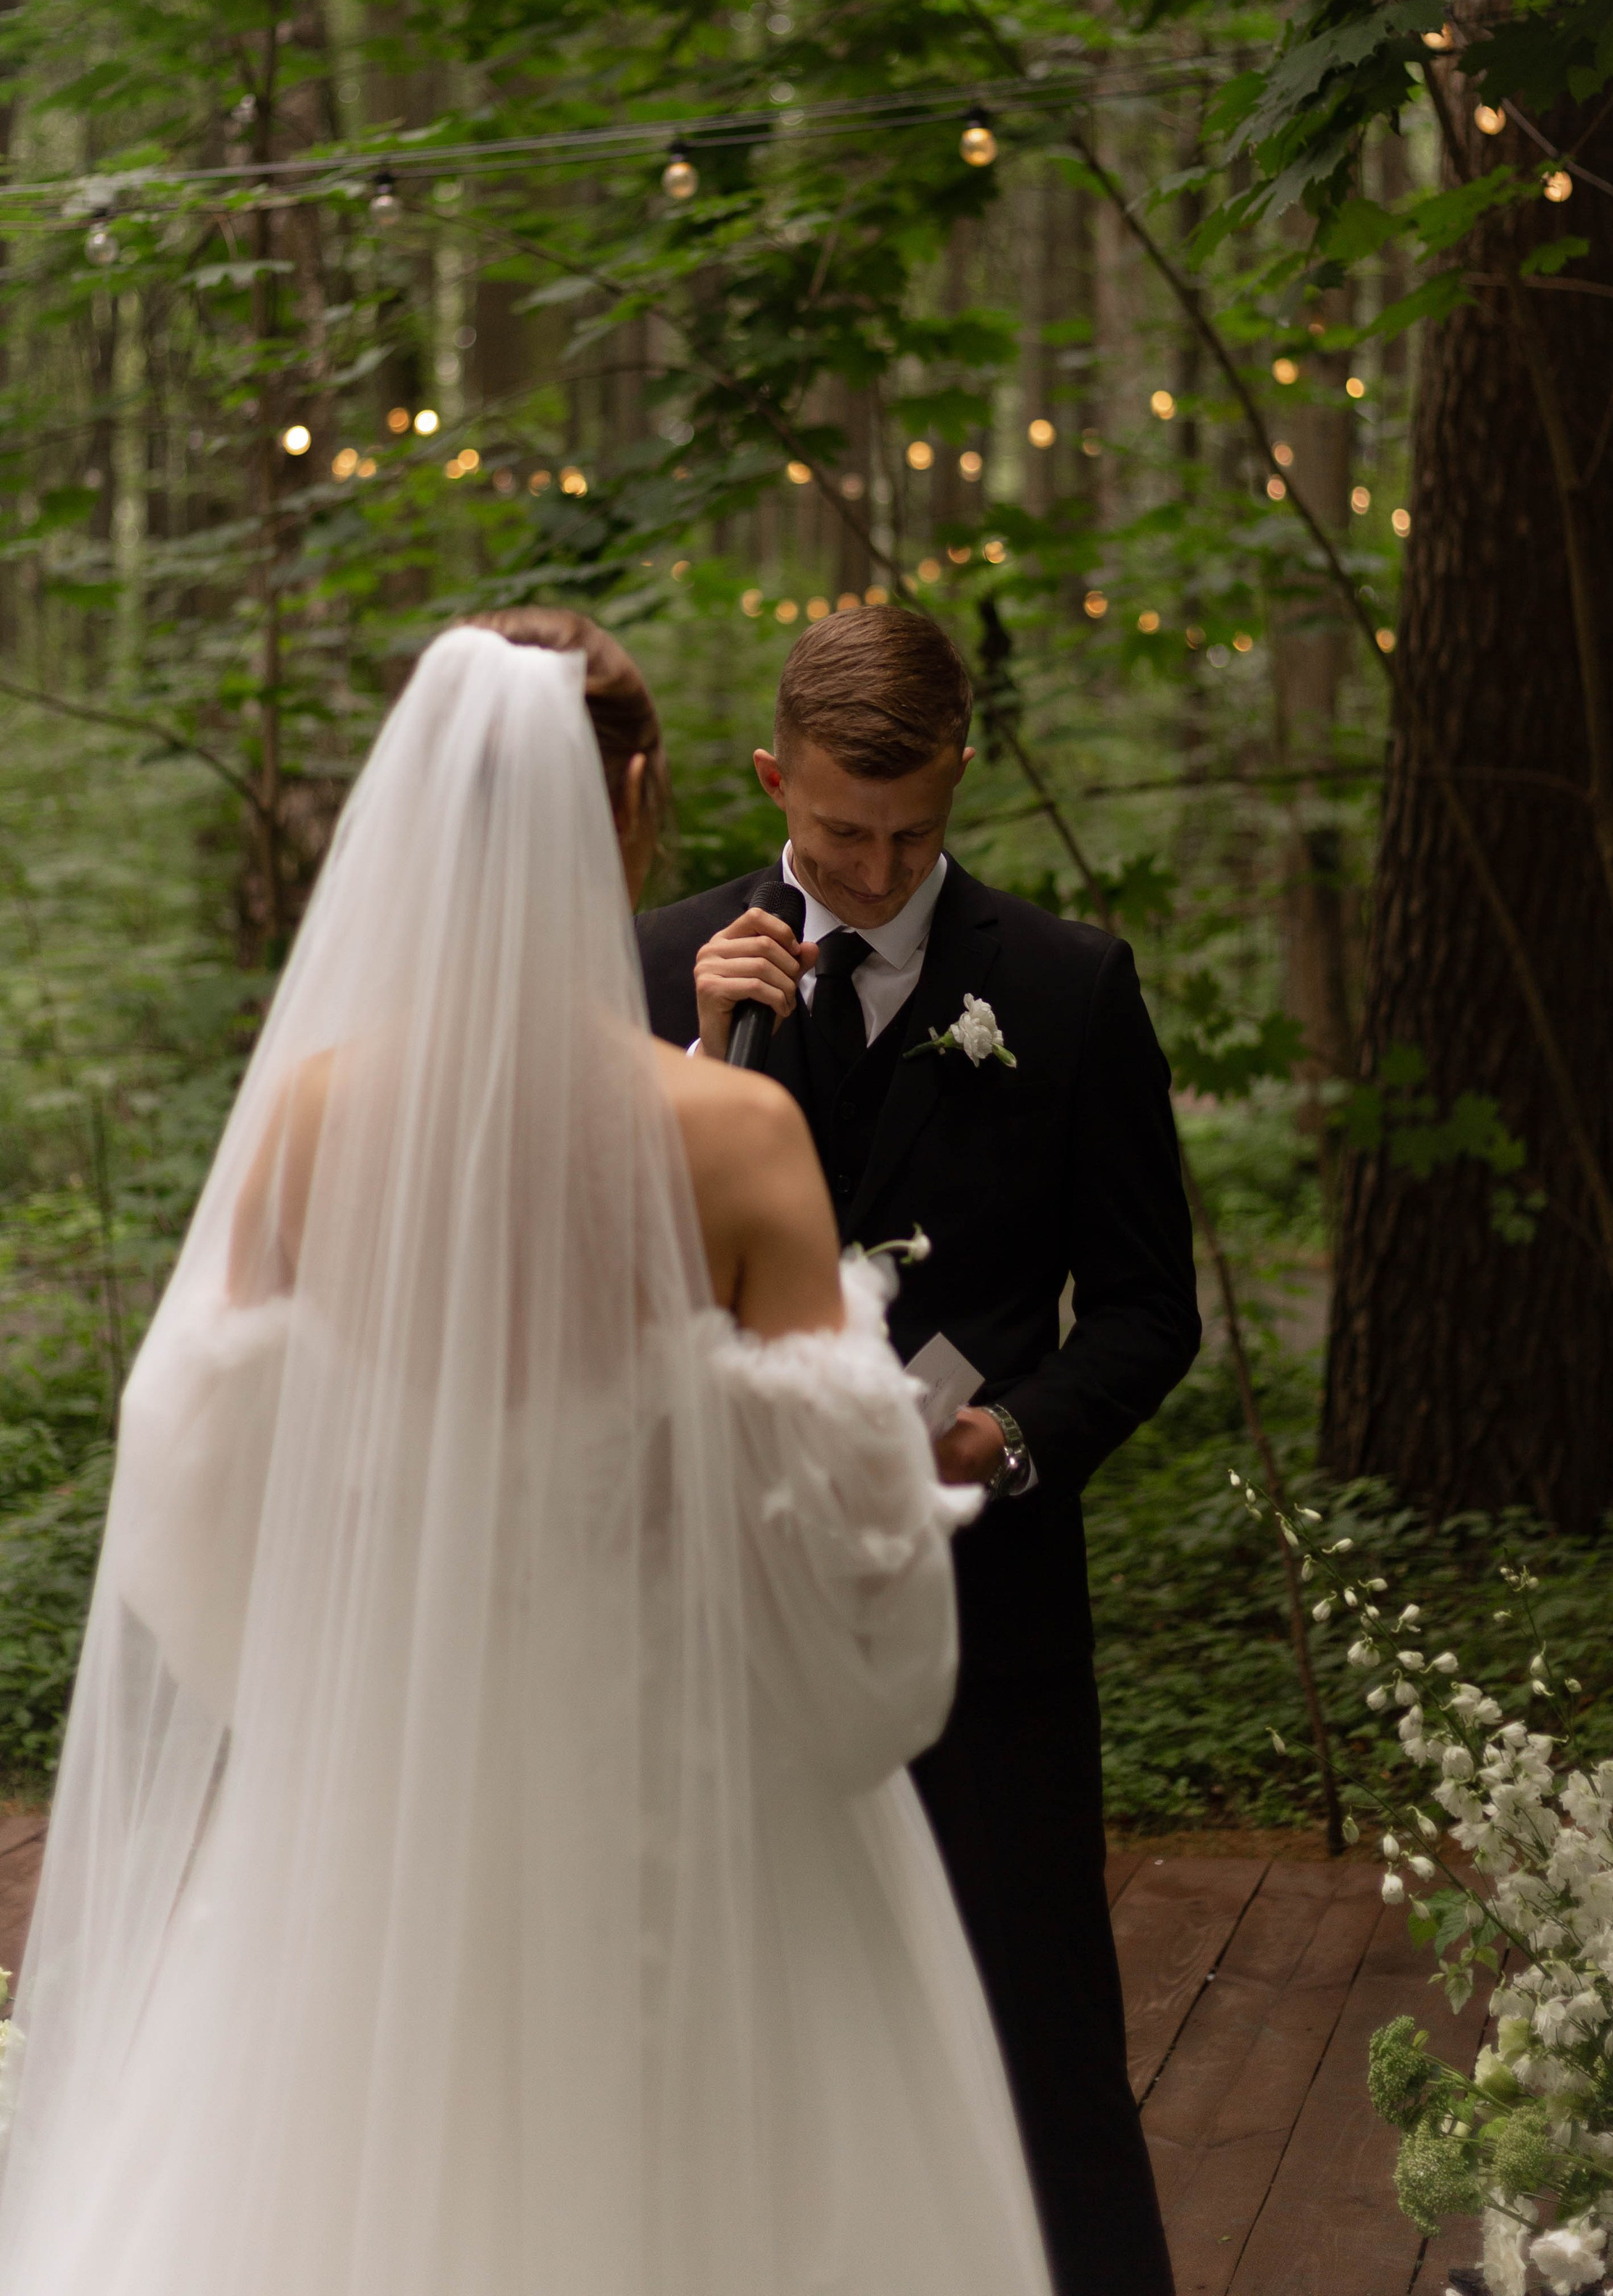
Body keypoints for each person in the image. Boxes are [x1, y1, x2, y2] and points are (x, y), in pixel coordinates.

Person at [0, 610, 1052, 2296]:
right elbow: (862, 1597)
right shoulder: (730, 1138)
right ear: (634, 802)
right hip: (691, 1814)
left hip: (379, 1791)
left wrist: (346, 1676)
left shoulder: (315, 1118)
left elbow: (192, 1499)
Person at [635, 606, 1202, 2296]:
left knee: (1035, 2034)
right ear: (769, 782)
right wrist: (691, 1053)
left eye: (911, 831)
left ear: (959, 775)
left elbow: (1147, 1309)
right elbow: (579, 1286)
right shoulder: (650, 959)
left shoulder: (1067, 985)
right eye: (834, 832)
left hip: (978, 1608)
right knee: (724, 2017)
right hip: (707, 1607)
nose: (875, 868)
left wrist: (1011, 1440)